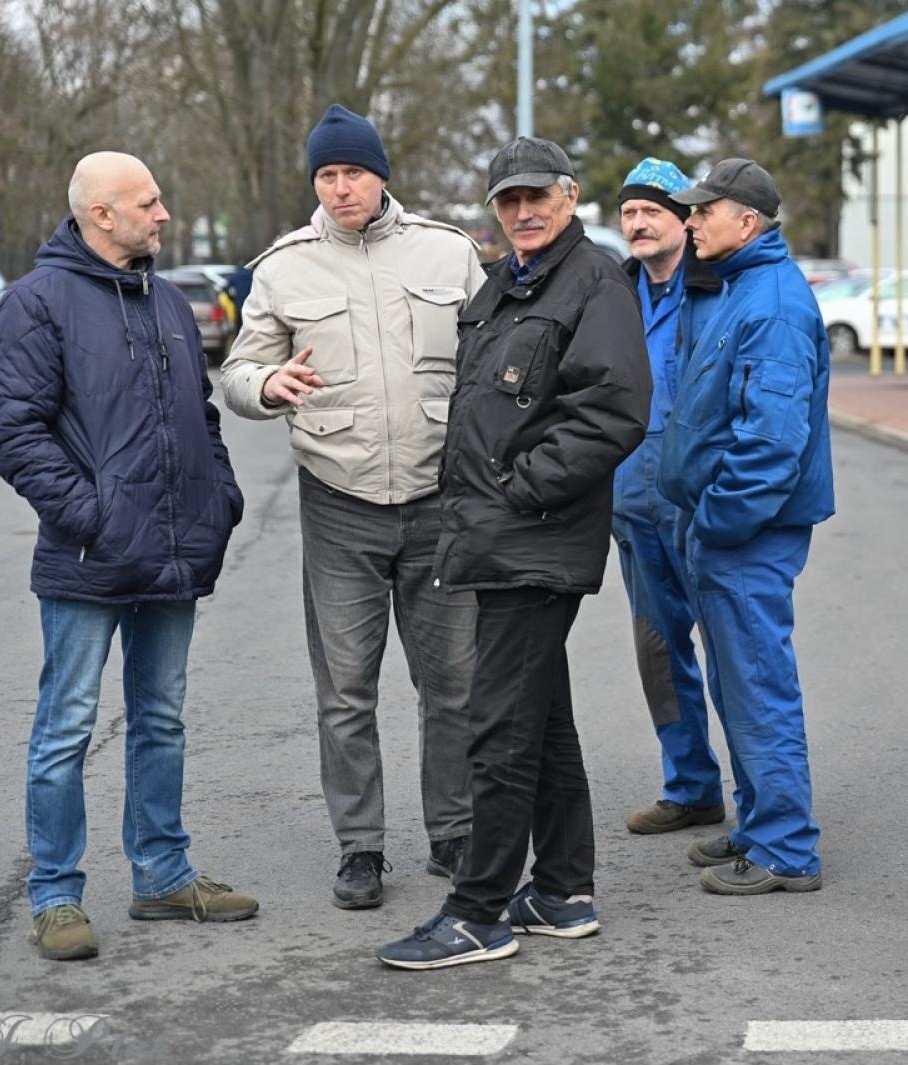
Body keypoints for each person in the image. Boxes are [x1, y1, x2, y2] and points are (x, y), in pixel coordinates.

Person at [377, 137, 649, 970]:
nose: (523, 211)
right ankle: (563, 890)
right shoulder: (505, 285)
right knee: (544, 719)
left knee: (496, 725)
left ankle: (478, 909)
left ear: (570, 197)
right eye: (507, 200)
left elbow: (614, 410)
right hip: (497, 535)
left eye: (537, 196)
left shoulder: (593, 280)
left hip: (531, 536)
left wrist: (522, 488)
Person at [0, 151, 258, 961]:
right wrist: (91, 515)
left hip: (173, 552)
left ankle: (163, 874)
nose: (164, 214)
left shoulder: (169, 300)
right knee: (66, 725)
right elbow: (13, 431)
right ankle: (56, 895)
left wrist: (221, 495)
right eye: (150, 202)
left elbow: (199, 415)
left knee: (161, 717)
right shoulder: (37, 303)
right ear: (102, 214)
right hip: (89, 556)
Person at [221, 104, 483, 911]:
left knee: (454, 683)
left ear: (382, 175)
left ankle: (455, 830)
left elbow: (498, 346)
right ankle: (361, 847)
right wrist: (267, 385)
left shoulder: (449, 251)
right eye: (327, 175)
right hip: (340, 502)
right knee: (346, 690)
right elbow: (237, 369)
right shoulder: (283, 268)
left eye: (354, 172)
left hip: (442, 500)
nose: (341, 188)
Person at [658, 158, 836, 896]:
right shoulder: (732, 286)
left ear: (748, 222)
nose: (691, 221)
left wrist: (720, 520)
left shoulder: (773, 304)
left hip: (745, 531)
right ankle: (759, 819)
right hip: (722, 525)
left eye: (705, 211)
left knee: (757, 682)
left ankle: (786, 848)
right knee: (737, 682)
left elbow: (771, 441)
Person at [611, 157, 728, 835]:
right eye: (629, 211)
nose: (639, 222)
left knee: (731, 650)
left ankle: (763, 799)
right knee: (659, 650)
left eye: (652, 209)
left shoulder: (717, 287)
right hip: (632, 505)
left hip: (703, 504)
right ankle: (690, 786)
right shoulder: (615, 294)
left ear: (684, 217)